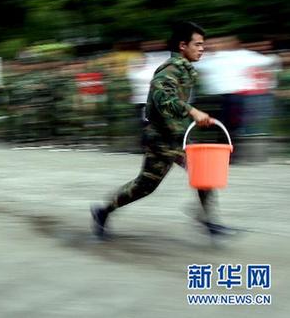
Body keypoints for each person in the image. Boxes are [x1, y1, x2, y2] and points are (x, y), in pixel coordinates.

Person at [90, 21, 232, 239]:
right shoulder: (170, 69)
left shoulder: (184, 69)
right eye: (198, 44)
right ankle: (103, 210)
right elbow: (162, 98)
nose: (202, 48)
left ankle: (208, 220)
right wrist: (192, 111)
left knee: (203, 173)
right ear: (183, 45)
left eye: (203, 44)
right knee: (145, 186)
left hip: (176, 135)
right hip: (161, 138)